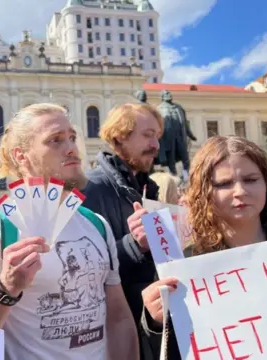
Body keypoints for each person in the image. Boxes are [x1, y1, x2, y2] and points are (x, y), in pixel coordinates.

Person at [0, 103, 138, 360]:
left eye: (72, 138)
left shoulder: (97, 224)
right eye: (55, 140)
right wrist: (6, 288)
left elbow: (119, 318)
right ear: (22, 156)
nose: (71, 148)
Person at [140, 136, 267, 359]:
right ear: (204, 193)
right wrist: (154, 322)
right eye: (223, 184)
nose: (240, 191)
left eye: (251, 179)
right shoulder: (182, 266)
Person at [81, 103, 163, 360]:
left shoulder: (146, 187)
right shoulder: (91, 187)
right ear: (119, 137)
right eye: (148, 135)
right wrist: (134, 244)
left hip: (148, 325)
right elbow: (84, 271)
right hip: (117, 336)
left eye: (157, 137)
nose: (156, 145)